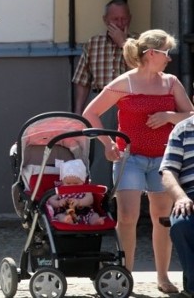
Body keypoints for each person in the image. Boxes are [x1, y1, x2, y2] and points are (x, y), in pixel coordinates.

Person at [82, 29, 194, 294]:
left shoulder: (170, 82)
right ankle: (126, 275)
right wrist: (108, 145)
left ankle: (163, 277)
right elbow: (91, 113)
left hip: (164, 160)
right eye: (166, 53)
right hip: (128, 158)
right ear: (152, 53)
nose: (169, 59)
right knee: (128, 216)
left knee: (162, 217)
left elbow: (190, 114)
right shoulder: (126, 82)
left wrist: (169, 116)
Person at [72, 0, 133, 187]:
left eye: (124, 19)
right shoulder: (94, 43)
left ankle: (126, 196)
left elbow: (144, 71)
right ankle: (102, 197)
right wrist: (78, 111)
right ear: (105, 20)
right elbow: (83, 80)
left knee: (129, 151)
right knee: (101, 152)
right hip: (101, 104)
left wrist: (124, 44)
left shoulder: (137, 43)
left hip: (130, 104)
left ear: (129, 19)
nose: (120, 23)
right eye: (115, 19)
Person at [160, 116, 194, 297]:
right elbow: (168, 171)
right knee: (182, 225)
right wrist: (180, 197)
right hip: (190, 196)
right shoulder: (183, 129)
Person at [46, 160, 105, 226]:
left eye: (76, 183)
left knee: (94, 215)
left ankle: (95, 221)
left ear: (83, 181)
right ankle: (67, 220)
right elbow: (50, 200)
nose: (72, 185)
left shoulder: (85, 188)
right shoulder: (60, 189)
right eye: (68, 183)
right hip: (65, 212)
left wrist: (79, 202)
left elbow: (90, 199)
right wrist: (58, 203)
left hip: (84, 213)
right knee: (60, 216)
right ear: (62, 181)